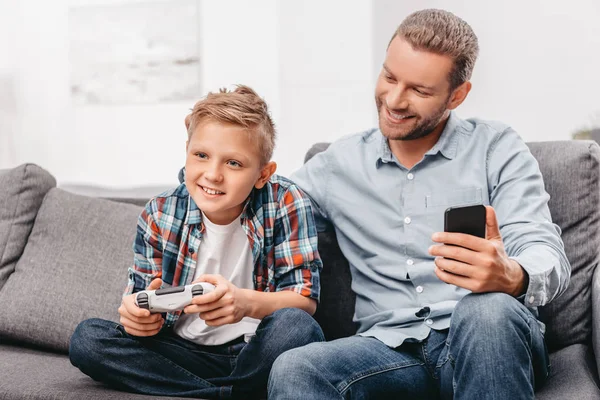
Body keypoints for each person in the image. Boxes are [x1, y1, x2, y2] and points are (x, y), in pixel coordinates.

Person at [268, 8, 570, 400]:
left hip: (485, 338)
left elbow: (544, 249)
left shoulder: (496, 147)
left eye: (419, 90)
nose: (394, 100)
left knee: (486, 311)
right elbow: (255, 199)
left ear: (457, 95)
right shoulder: (336, 165)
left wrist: (512, 275)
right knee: (296, 367)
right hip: (389, 350)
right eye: (390, 77)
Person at [69, 85, 324, 399]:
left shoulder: (285, 201)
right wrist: (139, 318)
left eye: (233, 163)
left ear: (262, 174)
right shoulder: (160, 212)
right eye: (201, 156)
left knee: (298, 327)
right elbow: (141, 299)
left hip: (255, 351)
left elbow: (304, 300)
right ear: (187, 151)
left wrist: (244, 303)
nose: (212, 174)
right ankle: (232, 394)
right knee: (87, 338)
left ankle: (206, 392)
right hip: (182, 351)